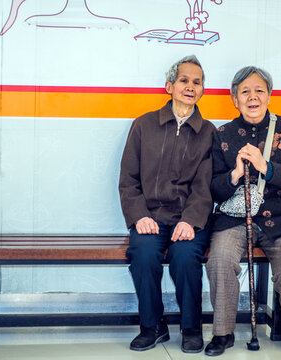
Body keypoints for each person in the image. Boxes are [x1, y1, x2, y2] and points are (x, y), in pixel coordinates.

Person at [204, 66, 281, 355]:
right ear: (234, 99)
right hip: (234, 218)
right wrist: (235, 175)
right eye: (245, 92)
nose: (253, 97)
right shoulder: (222, 133)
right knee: (220, 261)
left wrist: (266, 167)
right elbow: (213, 189)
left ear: (269, 95)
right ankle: (223, 333)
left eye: (259, 90)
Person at [118, 55, 216, 353]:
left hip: (190, 219)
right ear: (169, 86)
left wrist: (191, 220)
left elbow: (206, 186)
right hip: (151, 216)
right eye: (184, 80)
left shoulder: (209, 132)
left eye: (196, 82)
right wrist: (139, 216)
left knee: (186, 258)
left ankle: (191, 329)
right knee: (144, 253)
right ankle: (152, 326)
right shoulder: (144, 125)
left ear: (202, 90)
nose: (190, 86)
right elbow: (128, 179)